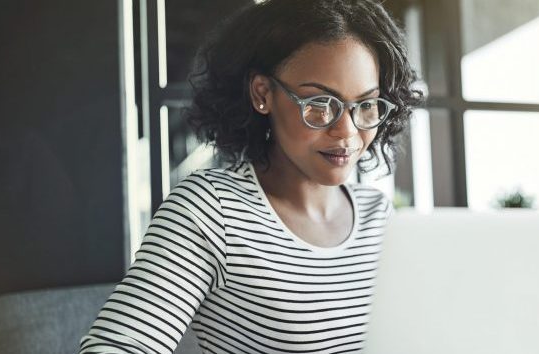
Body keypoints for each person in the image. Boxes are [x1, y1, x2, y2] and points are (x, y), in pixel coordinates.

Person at [79, 0, 423, 352]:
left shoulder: (378, 215)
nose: (346, 132)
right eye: (320, 104)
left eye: (365, 105)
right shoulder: (211, 210)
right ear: (263, 93)